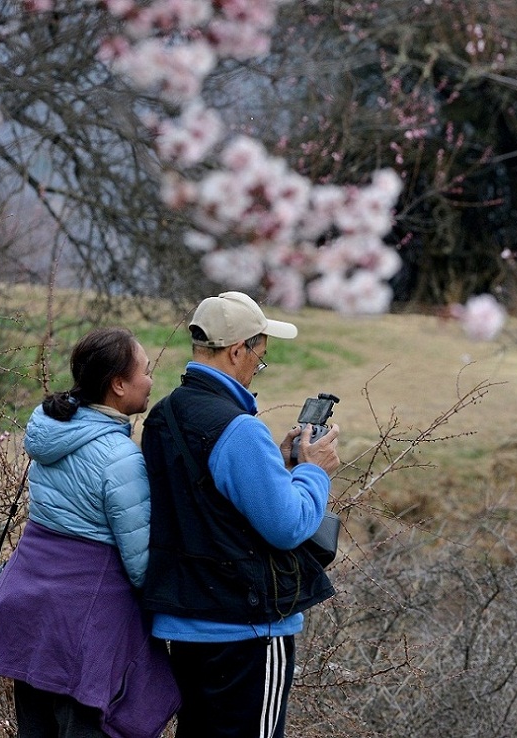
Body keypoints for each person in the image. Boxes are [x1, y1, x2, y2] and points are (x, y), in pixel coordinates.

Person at [0, 327, 181, 738]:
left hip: (30, 618)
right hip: (84, 633)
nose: (151, 380)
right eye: (146, 371)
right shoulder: (121, 460)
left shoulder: (55, 432)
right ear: (118, 385)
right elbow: (140, 567)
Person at [140, 291, 341, 738]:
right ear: (237, 350)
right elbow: (289, 526)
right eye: (260, 357)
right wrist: (313, 472)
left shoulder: (163, 416)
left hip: (187, 624)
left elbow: (206, 508)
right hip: (247, 630)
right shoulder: (239, 429)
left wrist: (281, 468)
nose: (257, 368)